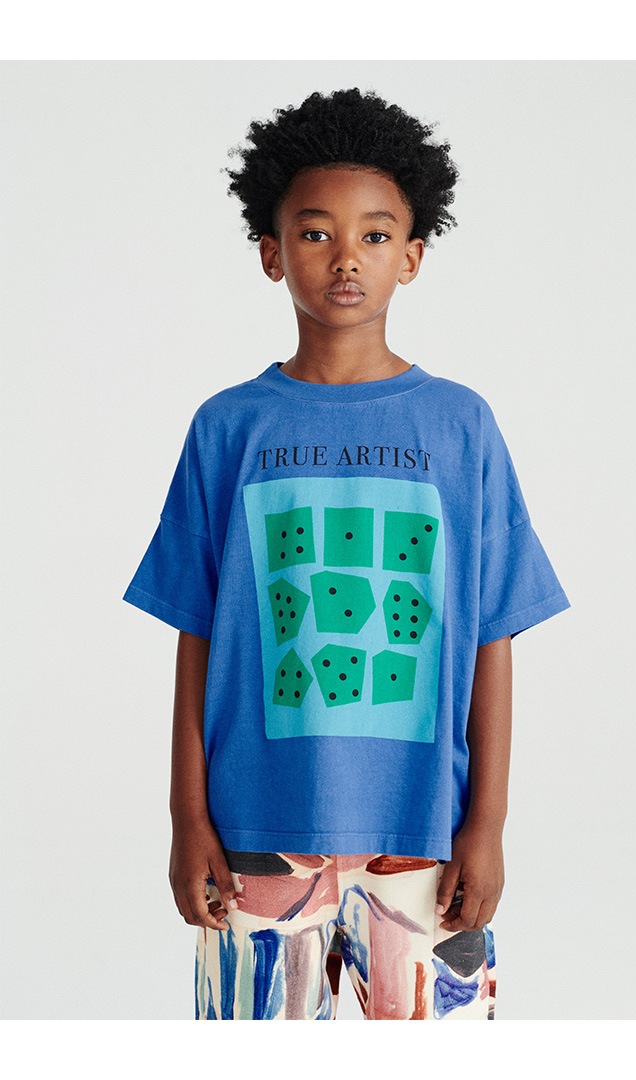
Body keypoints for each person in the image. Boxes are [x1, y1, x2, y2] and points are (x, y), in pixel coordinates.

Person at [122, 87, 570, 1021]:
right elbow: (198, 635)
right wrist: (187, 818)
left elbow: (492, 634)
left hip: (424, 833)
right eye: (316, 232)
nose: (345, 257)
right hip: (255, 831)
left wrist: (487, 824)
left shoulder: (460, 426)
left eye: (375, 234)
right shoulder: (228, 427)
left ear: (412, 255)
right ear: (271, 252)